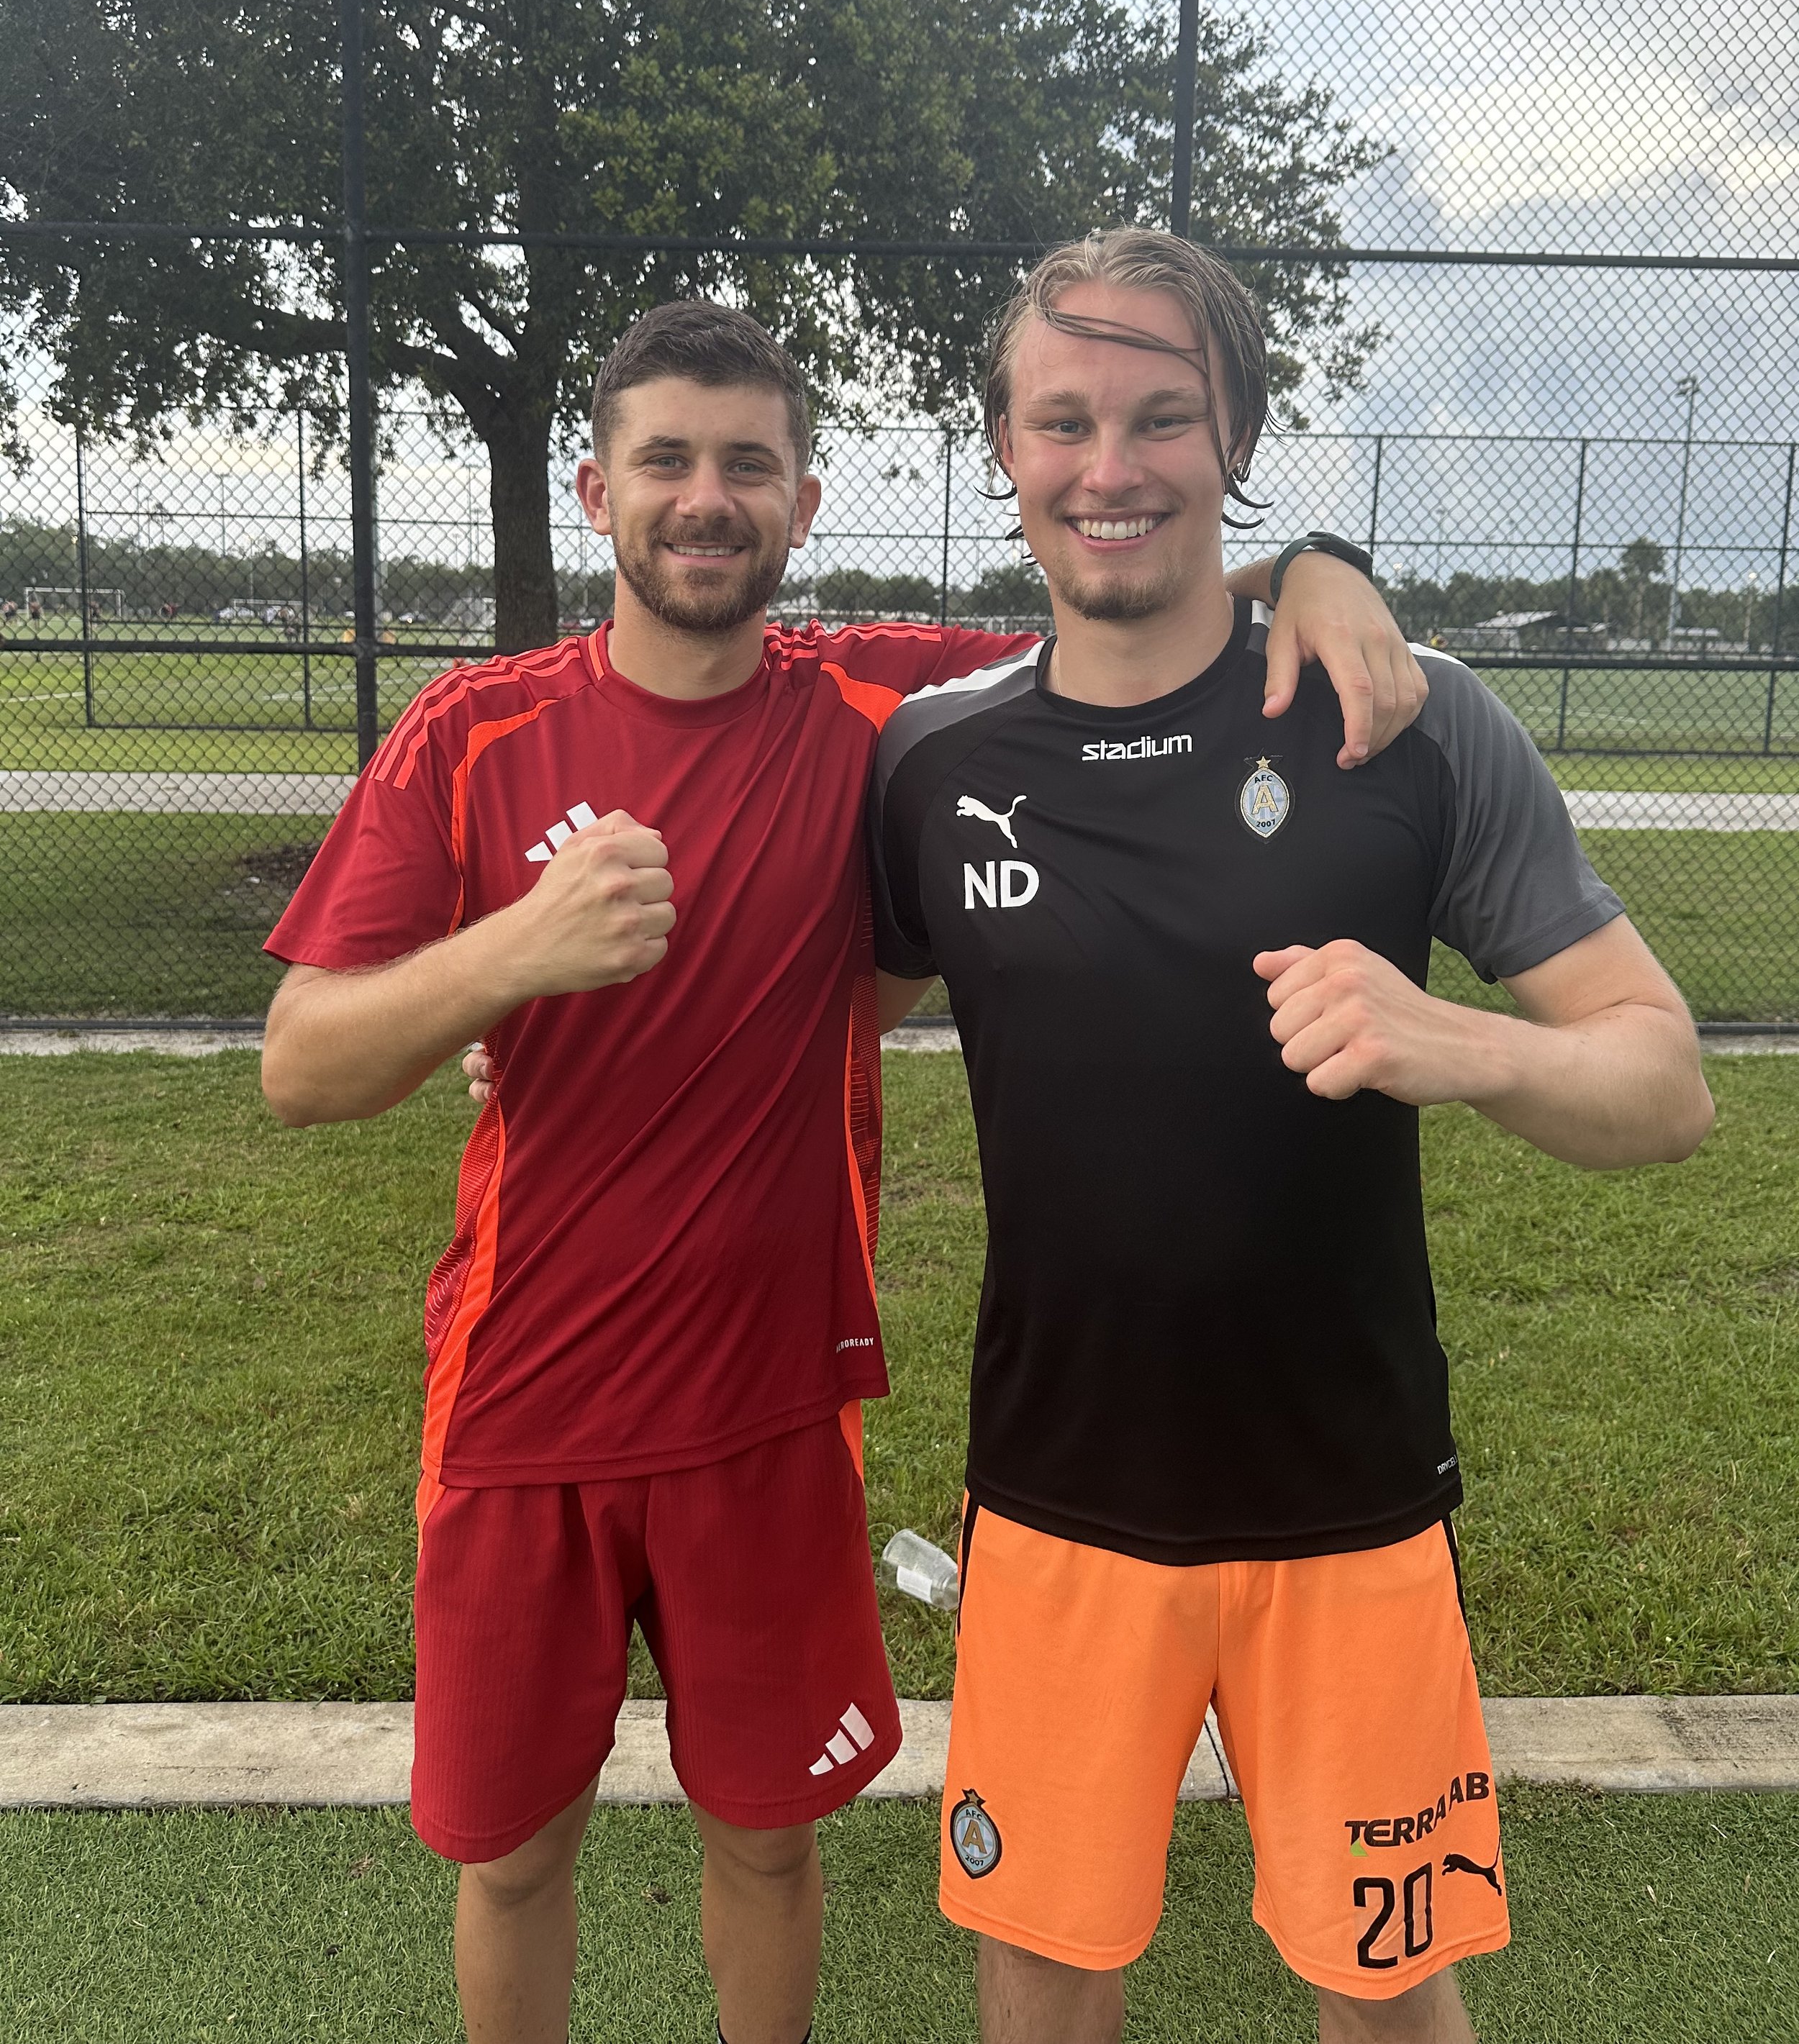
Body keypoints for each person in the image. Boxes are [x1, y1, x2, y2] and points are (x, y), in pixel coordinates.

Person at [260, 295, 1424, 2044]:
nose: (703, 498)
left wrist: (1318, 567)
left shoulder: (879, 709)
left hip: (772, 1413)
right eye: (664, 459)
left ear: (802, 503)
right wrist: (511, 953)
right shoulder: (472, 728)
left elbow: (1120, 577)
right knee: (510, 1855)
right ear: (594, 490)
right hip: (518, 1408)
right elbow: (302, 1064)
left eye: (747, 464)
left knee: (768, 1839)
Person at [866, 229, 1714, 2044]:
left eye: (1162, 416)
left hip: (1347, 1501)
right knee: (1041, 1970)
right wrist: (541, 1047)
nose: (1109, 465)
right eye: (1063, 420)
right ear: (1003, 447)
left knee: (1385, 1986)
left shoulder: (1403, 718)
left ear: (1234, 432)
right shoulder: (930, 761)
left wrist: (1456, 1042)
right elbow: (801, 1026)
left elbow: (1664, 1083)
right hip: (1058, 1497)